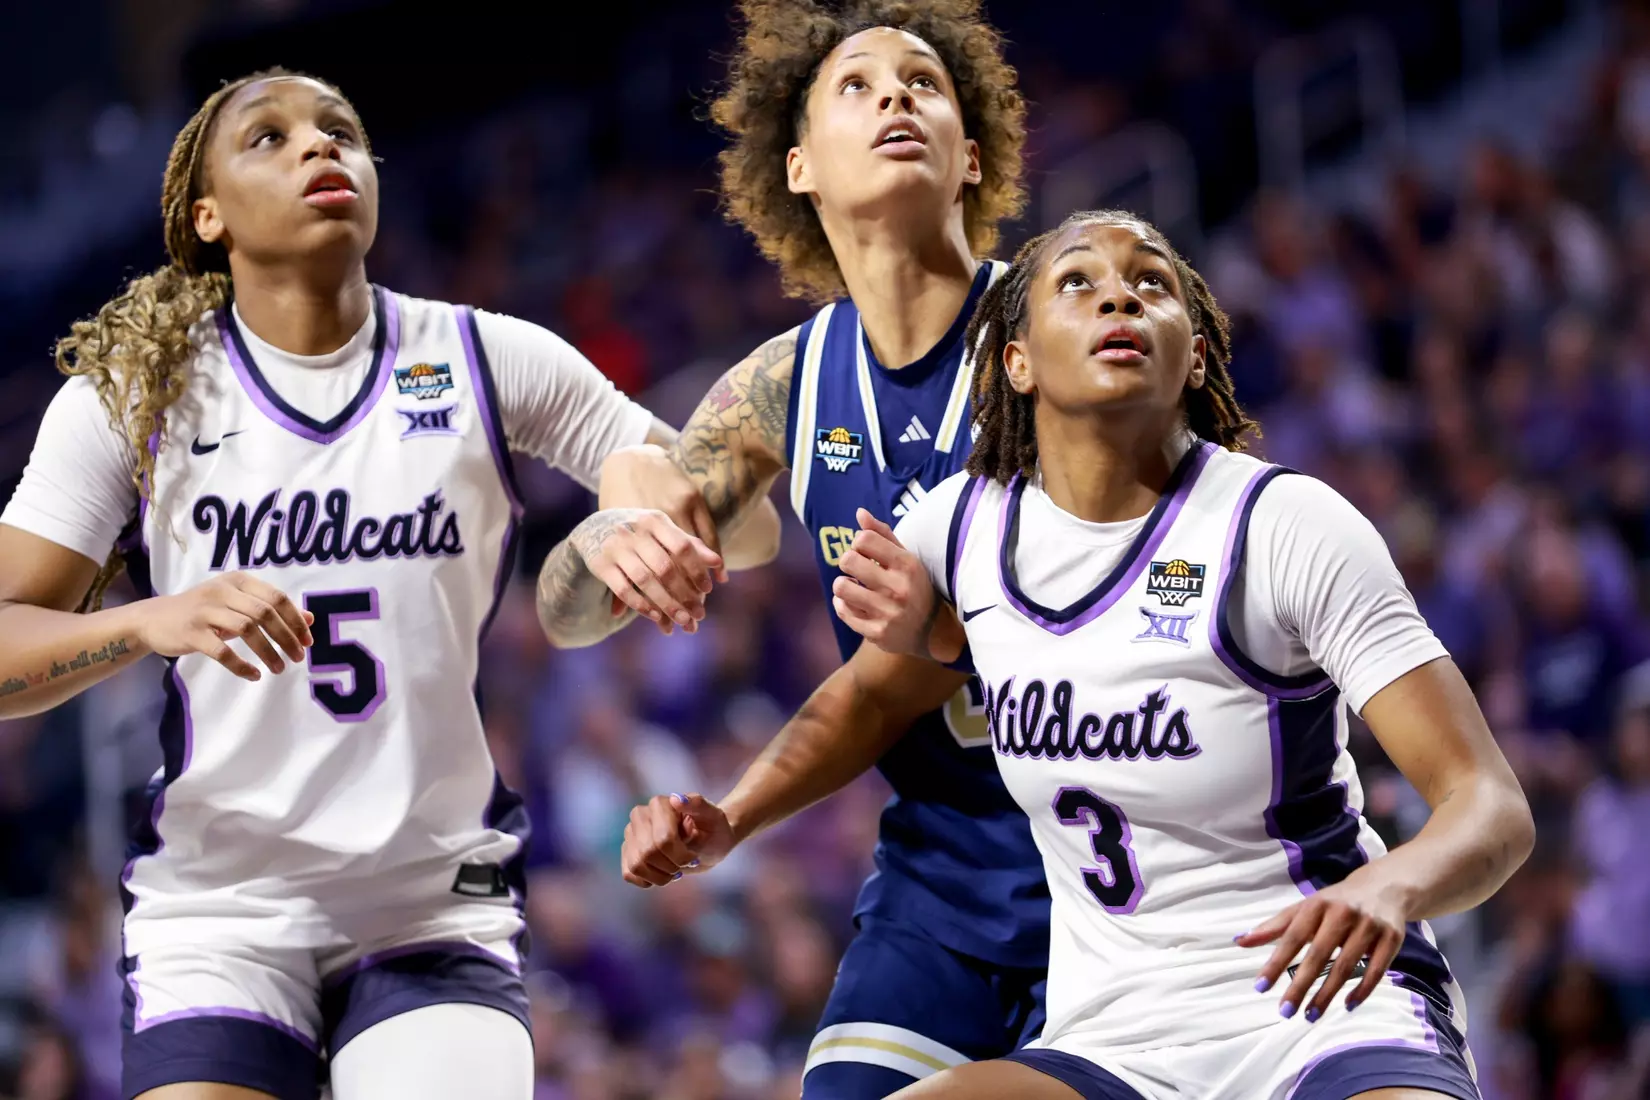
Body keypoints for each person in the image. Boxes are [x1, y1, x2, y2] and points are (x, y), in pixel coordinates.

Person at [0, 69, 777, 1100]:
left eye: (341, 131)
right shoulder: (132, 398)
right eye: (268, 137)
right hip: (222, 910)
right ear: (207, 214)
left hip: (430, 902)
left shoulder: (483, 357)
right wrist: (149, 621)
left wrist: (640, 497)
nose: (319, 147)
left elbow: (752, 529)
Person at [831, 209, 1536, 1100]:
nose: (1119, 296)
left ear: (1196, 358)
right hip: (1112, 1040)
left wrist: (1391, 886)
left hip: (1324, 1011)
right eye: (1077, 282)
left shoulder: (1283, 524)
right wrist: (734, 813)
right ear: (1017, 362)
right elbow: (865, 700)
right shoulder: (958, 531)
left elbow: (1492, 807)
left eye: (1151, 282)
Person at [532, 3, 1051, 1096]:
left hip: (1114, 844)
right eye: (857, 85)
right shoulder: (785, 386)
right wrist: (612, 531)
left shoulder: (1056, 334)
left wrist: (948, 633)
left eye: (924, 82)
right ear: (800, 167)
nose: (896, 94)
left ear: (971, 155)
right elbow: (569, 616)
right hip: (944, 878)